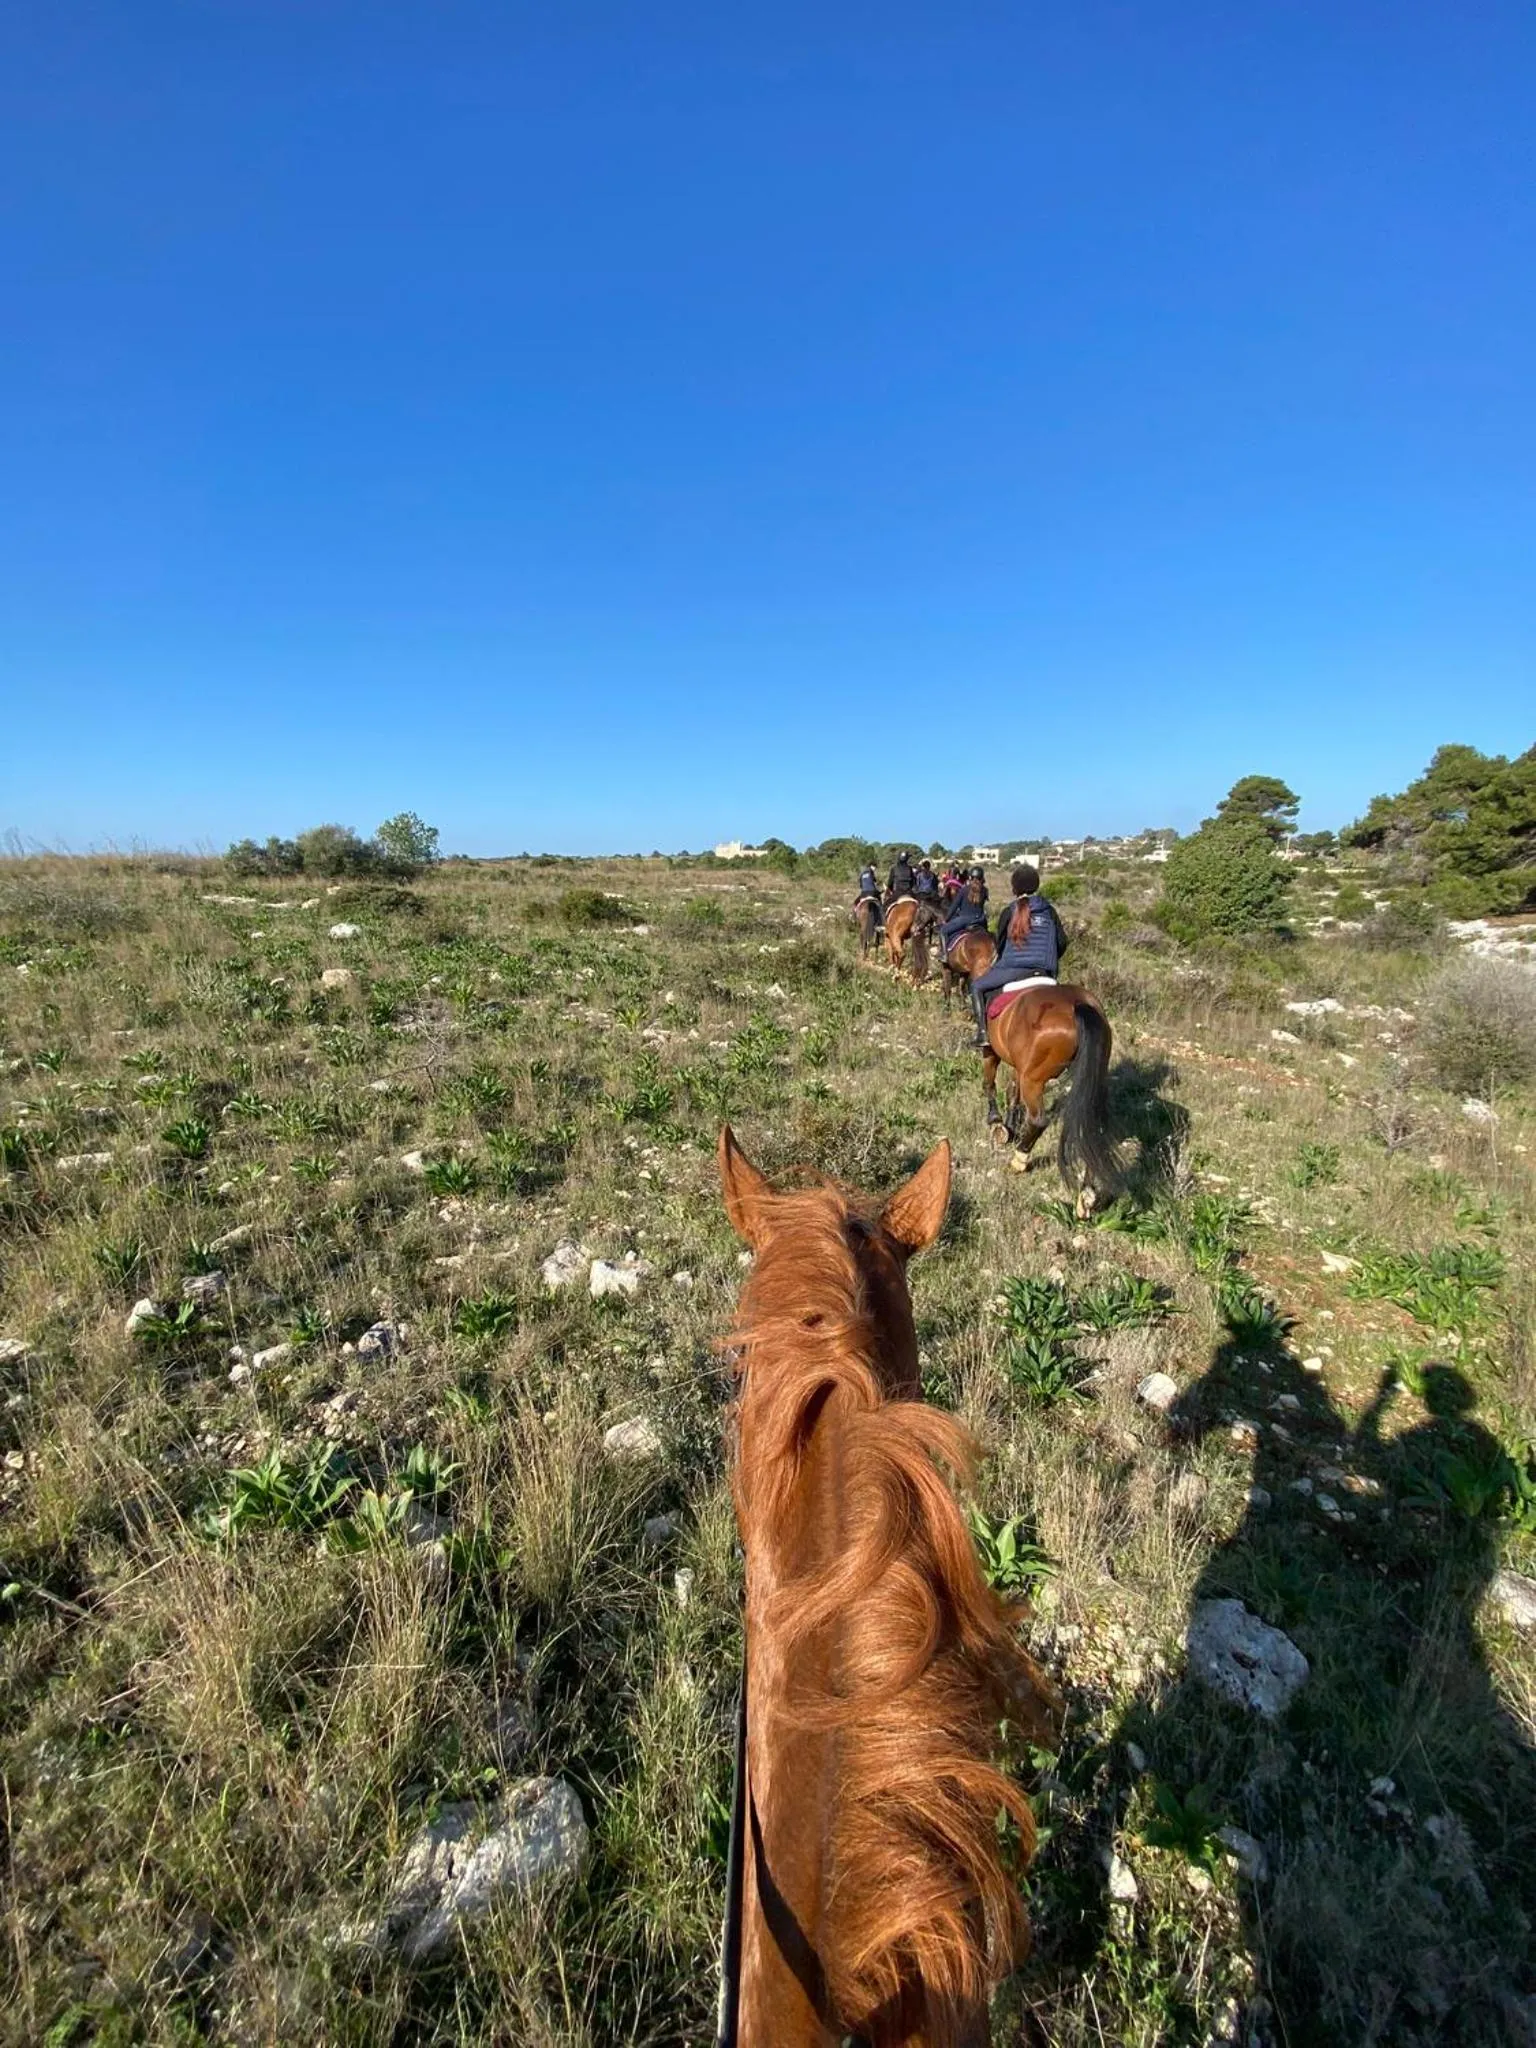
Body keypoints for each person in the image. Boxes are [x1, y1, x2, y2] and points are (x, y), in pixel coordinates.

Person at [967, 863, 1069, 1046]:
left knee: (976, 986)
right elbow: (1062, 942)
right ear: (1036, 885)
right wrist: (1049, 961)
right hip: (1045, 970)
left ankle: (982, 1033)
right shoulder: (1049, 910)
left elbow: (1000, 943)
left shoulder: (1010, 911)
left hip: (1013, 969)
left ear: (1015, 887)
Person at [937, 868, 991, 958]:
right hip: (980, 921)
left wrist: (946, 920)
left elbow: (954, 906)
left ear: (970, 877)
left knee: (943, 931)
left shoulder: (964, 889)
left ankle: (944, 955)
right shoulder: (985, 890)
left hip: (964, 920)